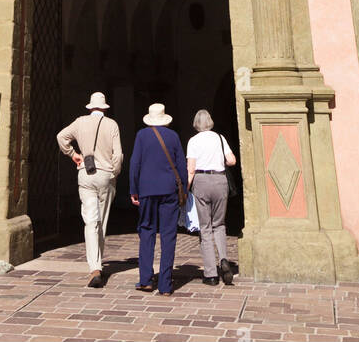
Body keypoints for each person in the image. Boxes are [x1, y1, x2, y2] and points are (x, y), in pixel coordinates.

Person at [57, 90, 123, 288]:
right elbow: (118, 155)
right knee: (101, 223)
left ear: (90, 106)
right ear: (104, 108)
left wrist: (73, 155)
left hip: (85, 174)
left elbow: (61, 137)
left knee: (90, 221)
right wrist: (114, 173)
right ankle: (98, 264)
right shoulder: (111, 124)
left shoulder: (80, 122)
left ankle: (94, 267)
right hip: (105, 175)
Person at [129, 102, 188, 296]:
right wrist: (184, 190)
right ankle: (165, 284)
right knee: (168, 235)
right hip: (169, 190)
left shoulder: (141, 136)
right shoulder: (173, 136)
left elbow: (135, 163)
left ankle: (146, 279)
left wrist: (133, 189)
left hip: (146, 190)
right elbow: (181, 164)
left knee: (146, 231)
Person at [186, 108, 236, 286]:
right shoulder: (220, 138)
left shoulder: (193, 141)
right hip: (220, 180)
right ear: (210, 122)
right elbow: (232, 161)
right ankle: (223, 259)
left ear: (196, 124)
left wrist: (185, 189)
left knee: (205, 227)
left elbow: (191, 169)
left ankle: (210, 274)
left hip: (201, 181)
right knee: (219, 224)